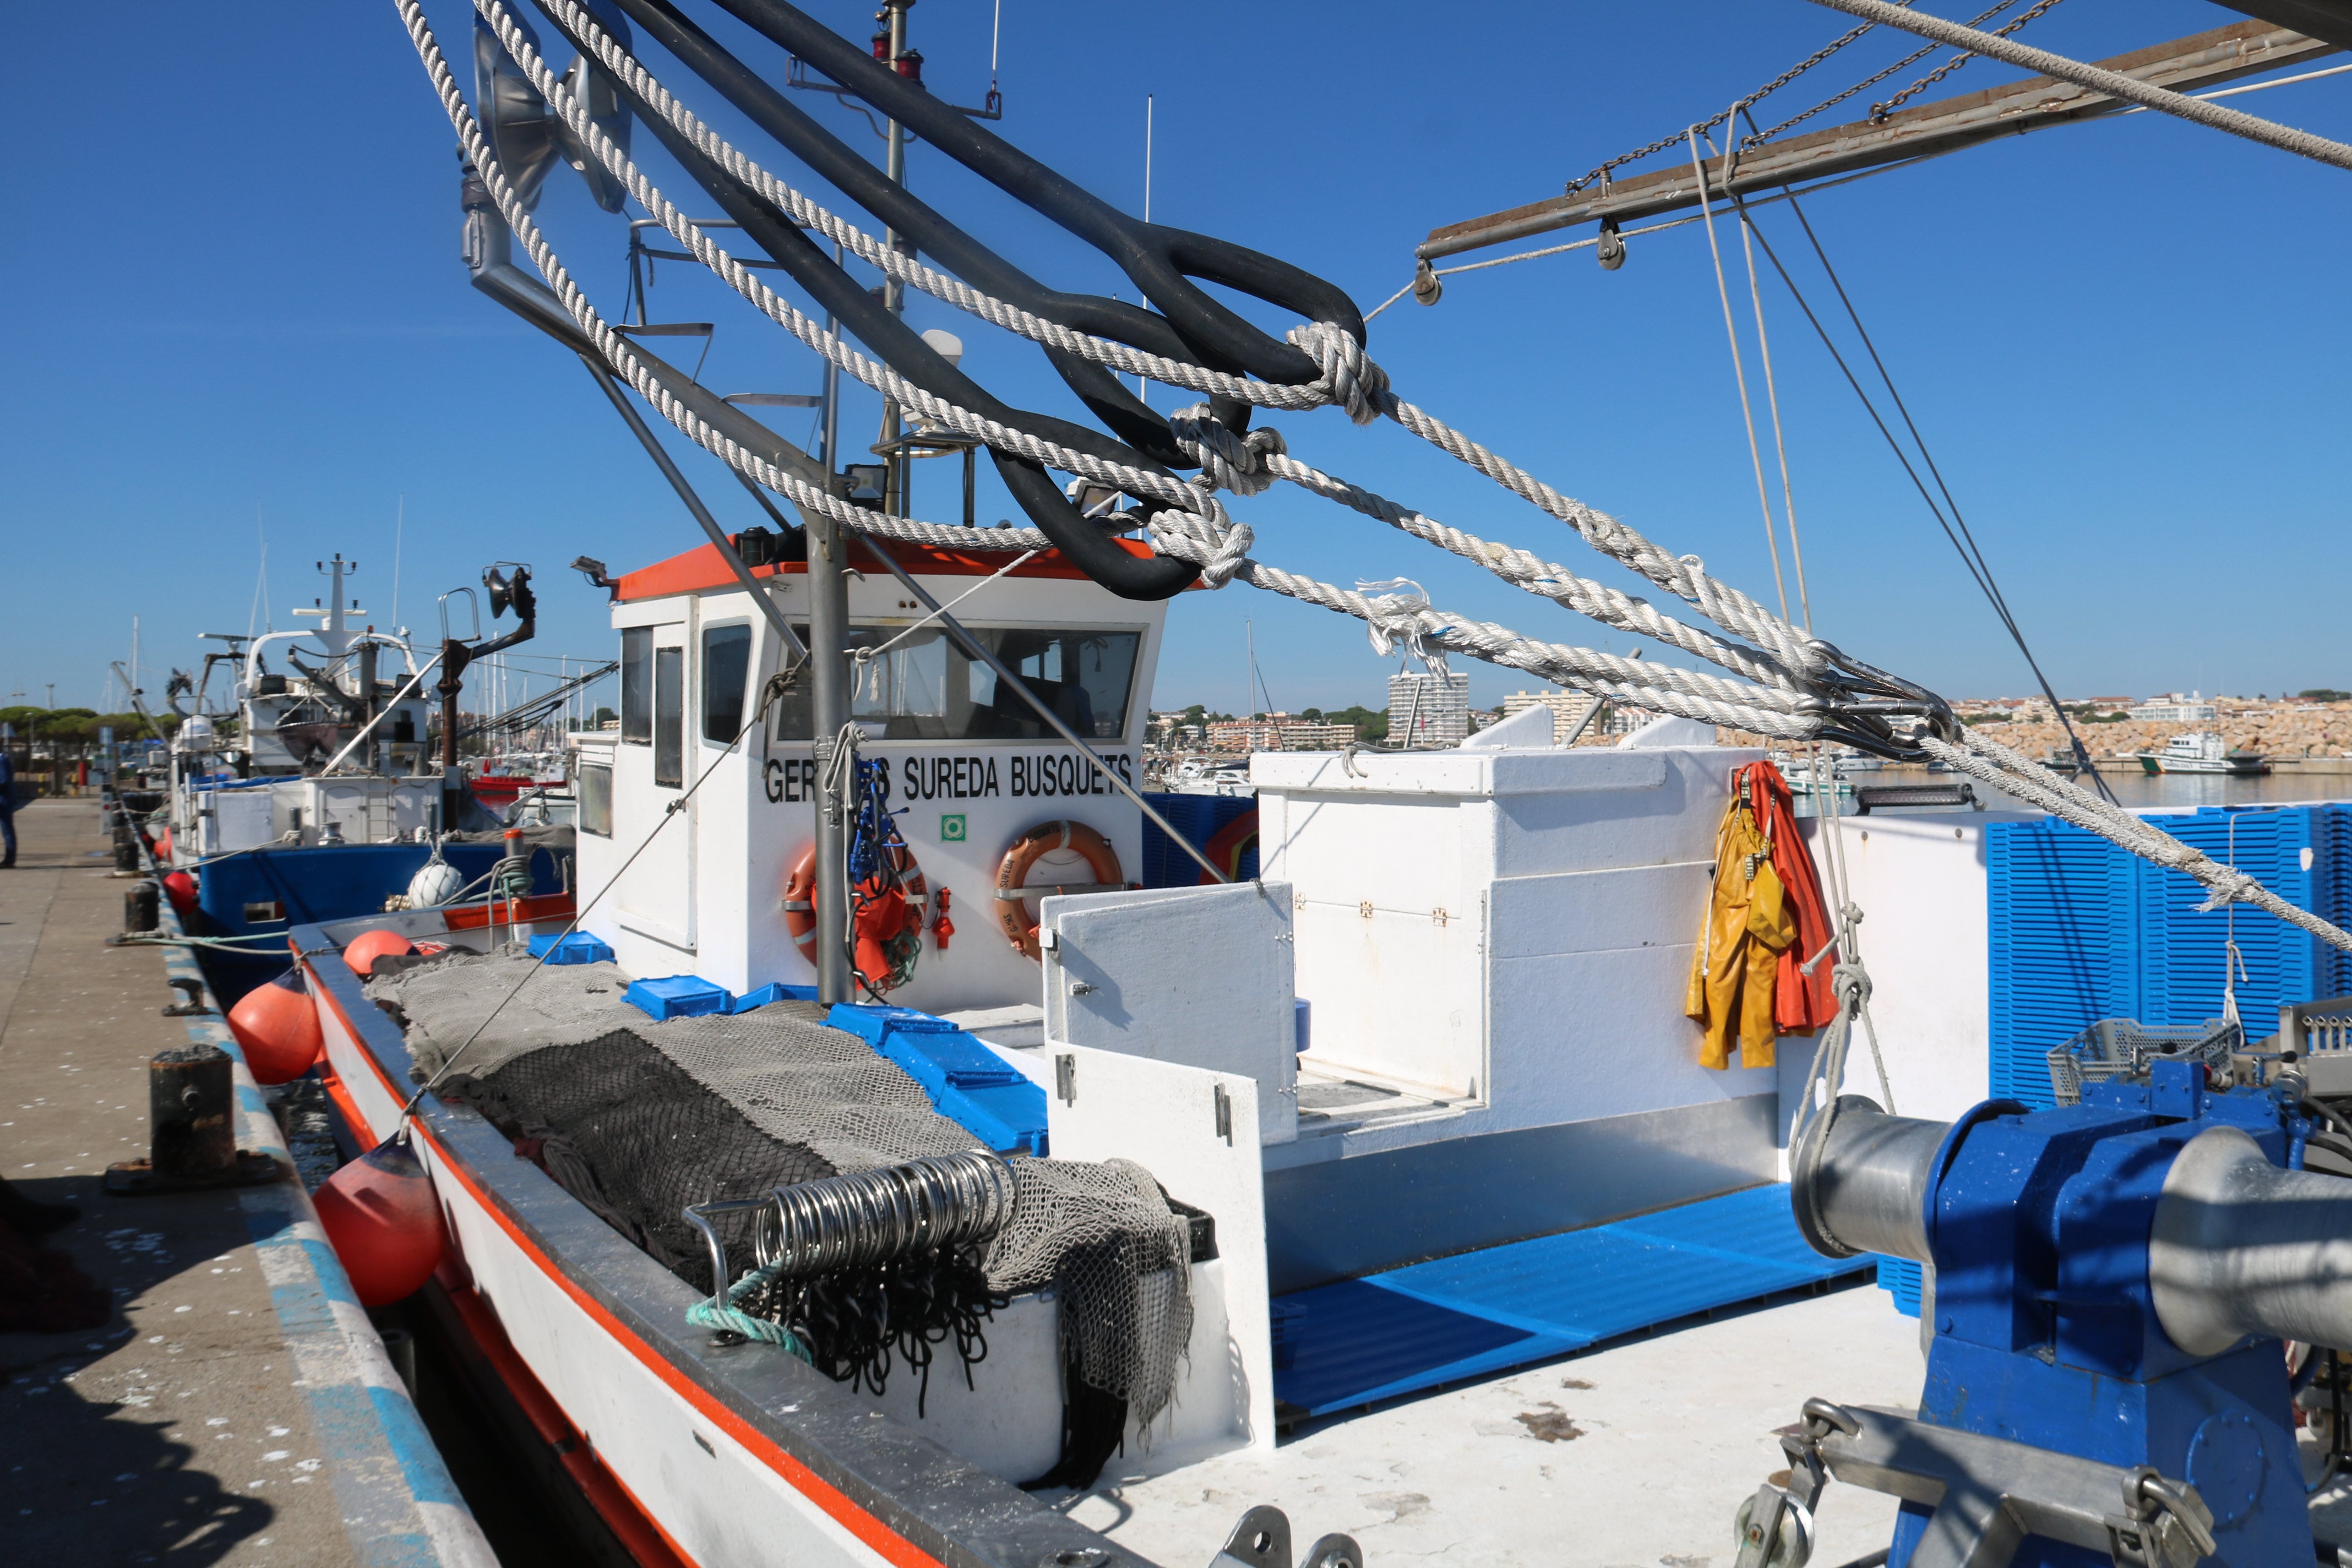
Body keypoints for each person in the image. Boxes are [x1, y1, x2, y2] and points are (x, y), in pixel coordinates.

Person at [0, 746, 15, 869]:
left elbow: (5, 781)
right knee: (7, 830)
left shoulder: (2, 761)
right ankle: (9, 859)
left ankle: (10, 860)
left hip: (4, 801)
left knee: (7, 830)